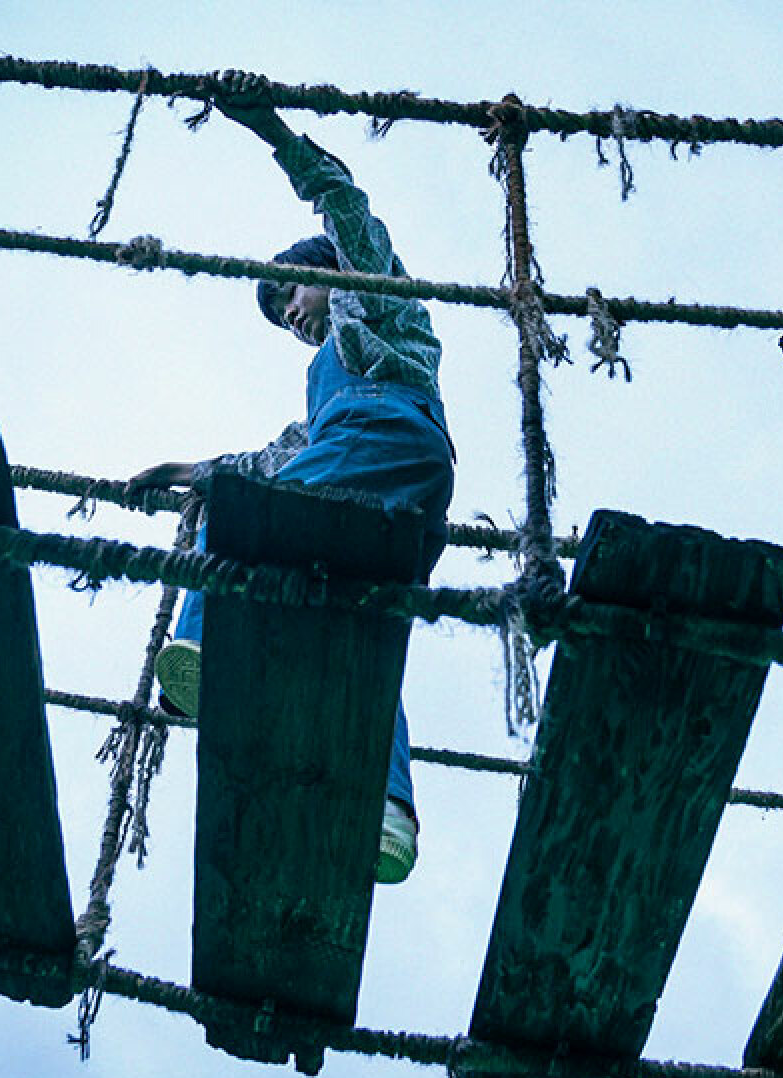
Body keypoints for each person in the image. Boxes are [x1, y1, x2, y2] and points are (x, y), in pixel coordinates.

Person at [131, 71, 454, 885]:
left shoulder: (375, 301)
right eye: (281, 319)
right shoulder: (317, 396)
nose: (295, 318)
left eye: (294, 296)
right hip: (396, 491)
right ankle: (390, 813)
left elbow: (346, 201)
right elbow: (270, 460)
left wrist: (268, 129)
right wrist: (181, 467)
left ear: (331, 270)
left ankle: (201, 646)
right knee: (361, 631)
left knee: (238, 521)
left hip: (386, 437)